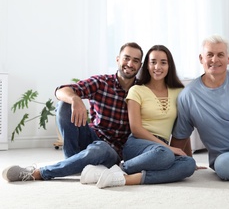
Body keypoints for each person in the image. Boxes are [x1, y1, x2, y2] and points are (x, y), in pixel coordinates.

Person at [2, 42, 143, 182]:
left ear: (140, 66)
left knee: (100, 149)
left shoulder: (141, 91)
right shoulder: (102, 82)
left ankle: (38, 173)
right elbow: (60, 91)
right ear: (118, 59)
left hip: (112, 151)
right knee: (64, 105)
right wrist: (76, 99)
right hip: (91, 136)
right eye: (126, 58)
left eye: (135, 61)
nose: (130, 64)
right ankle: (72, 162)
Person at [83, 45, 196, 188]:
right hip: (137, 143)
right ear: (147, 66)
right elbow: (136, 129)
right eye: (153, 62)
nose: (157, 67)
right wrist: (168, 148)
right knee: (165, 155)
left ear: (169, 66)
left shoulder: (179, 92)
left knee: (189, 165)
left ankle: (123, 178)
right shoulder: (137, 90)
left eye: (163, 62)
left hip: (159, 148)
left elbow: (183, 126)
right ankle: (123, 167)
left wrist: (188, 156)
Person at [170, 35, 229, 181]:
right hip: (227, 157)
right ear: (201, 59)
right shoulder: (188, 95)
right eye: (210, 55)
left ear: (228, 59)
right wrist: (187, 162)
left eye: (220, 55)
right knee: (226, 167)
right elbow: (181, 135)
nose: (215, 60)